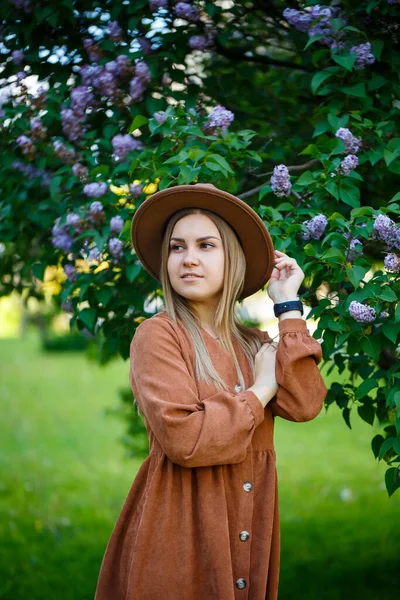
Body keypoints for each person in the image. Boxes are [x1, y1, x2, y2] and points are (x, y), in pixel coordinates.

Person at [94, 183, 328, 600]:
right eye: (177, 248)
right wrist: (259, 390)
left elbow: (307, 403)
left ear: (231, 258)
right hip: (180, 531)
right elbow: (186, 441)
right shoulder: (159, 335)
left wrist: (287, 307)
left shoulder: (255, 344)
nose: (188, 259)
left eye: (206, 245)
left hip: (248, 523)